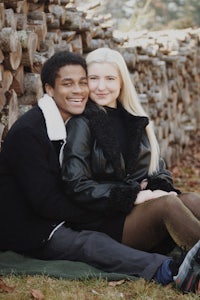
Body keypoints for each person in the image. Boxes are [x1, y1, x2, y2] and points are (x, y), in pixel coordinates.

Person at [61, 48, 200, 292]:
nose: (101, 86)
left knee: (190, 199)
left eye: (110, 78)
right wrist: (133, 194)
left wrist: (158, 188)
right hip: (106, 223)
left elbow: (159, 171)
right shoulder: (81, 123)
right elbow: (76, 184)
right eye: (93, 79)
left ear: (122, 81)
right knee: (168, 205)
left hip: (141, 215)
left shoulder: (135, 119)